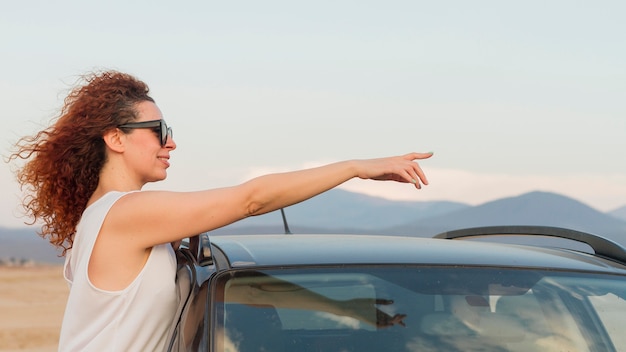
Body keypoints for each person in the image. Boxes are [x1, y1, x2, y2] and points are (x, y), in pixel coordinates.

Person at [9, 70, 433, 351]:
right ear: (115, 139)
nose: (170, 142)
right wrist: (357, 167)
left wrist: (347, 309)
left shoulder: (117, 220)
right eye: (159, 131)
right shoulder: (125, 215)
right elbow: (251, 200)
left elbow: (253, 290)